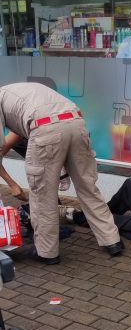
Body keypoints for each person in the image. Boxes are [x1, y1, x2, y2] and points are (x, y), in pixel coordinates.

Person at [0, 82, 123, 265]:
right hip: (77, 123)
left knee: (43, 196)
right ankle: (112, 241)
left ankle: (47, 253)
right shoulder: (19, 90)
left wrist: (11, 184)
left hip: (45, 129)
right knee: (88, 187)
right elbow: (20, 129)